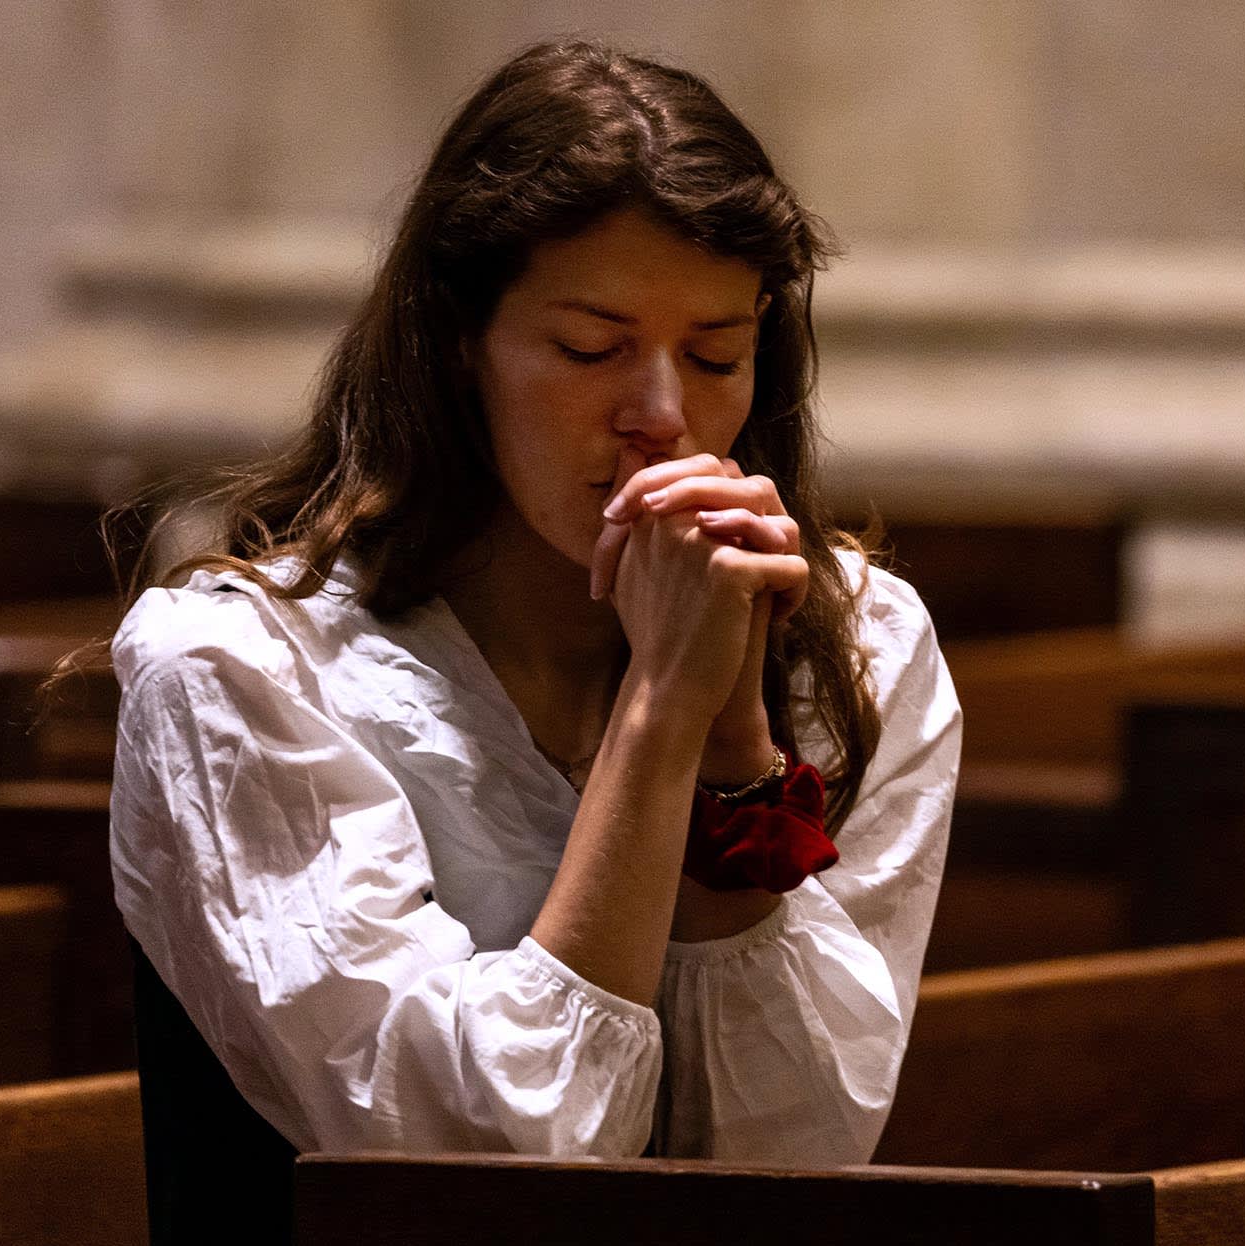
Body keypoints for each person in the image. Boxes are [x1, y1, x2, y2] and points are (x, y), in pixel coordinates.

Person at [107, 39, 961, 1174]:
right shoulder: (238, 670)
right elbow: (499, 1165)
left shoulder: (860, 644)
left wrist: (730, 742)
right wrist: (659, 711)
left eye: (715, 354)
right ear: (460, 348)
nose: (661, 414)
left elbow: (796, 1162)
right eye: (589, 347)